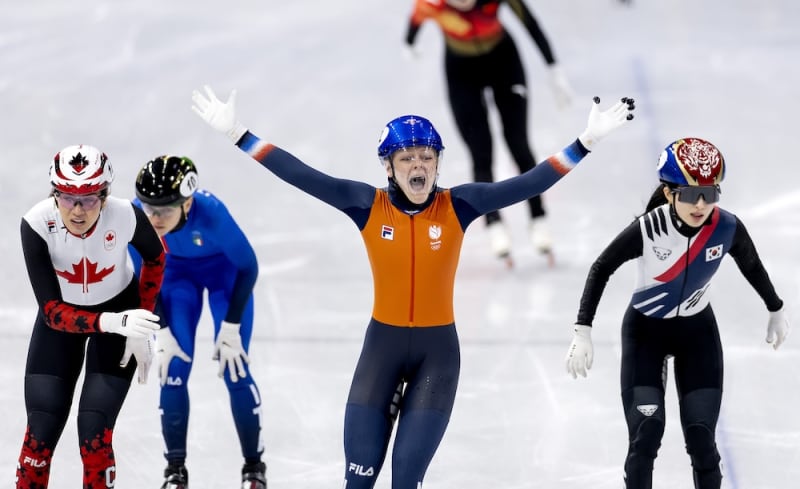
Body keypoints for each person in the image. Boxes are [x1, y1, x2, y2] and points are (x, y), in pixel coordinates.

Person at [191, 85, 633, 489]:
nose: (419, 165)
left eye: (427, 156)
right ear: (388, 166)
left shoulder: (459, 205)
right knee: (358, 479)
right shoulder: (366, 205)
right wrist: (237, 134)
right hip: (381, 349)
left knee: (405, 482)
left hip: (436, 356)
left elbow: (527, 184)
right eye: (407, 158)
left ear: (438, 162)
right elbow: (301, 174)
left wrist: (586, 142)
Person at [564, 137, 790, 488]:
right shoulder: (649, 229)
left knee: (702, 439)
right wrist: (582, 330)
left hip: (697, 336)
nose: (700, 204)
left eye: (709, 193)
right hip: (645, 336)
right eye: (688, 194)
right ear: (669, 193)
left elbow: (751, 264)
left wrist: (775, 308)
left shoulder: (726, 227)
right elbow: (601, 267)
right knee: (645, 436)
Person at [17, 145, 165, 488]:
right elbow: (52, 313)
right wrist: (112, 322)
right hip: (71, 326)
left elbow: (156, 260)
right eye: (68, 198)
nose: (79, 210)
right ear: (54, 195)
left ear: (105, 194)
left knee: (94, 436)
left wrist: (139, 323)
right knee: (39, 436)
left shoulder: (126, 215)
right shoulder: (36, 223)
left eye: (90, 199)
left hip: (120, 317)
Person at [128, 155, 265, 489]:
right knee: (172, 370)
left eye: (163, 209)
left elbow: (248, 267)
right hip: (174, 276)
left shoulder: (212, 213)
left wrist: (231, 326)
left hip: (224, 275)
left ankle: (254, 468)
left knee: (236, 368)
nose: (153, 218)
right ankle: (174, 470)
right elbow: (143, 277)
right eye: (148, 208)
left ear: (187, 203)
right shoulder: (137, 216)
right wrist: (160, 329)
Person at [404, 0, 575, 265]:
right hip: (461, 73)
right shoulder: (429, 4)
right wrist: (410, 42)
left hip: (504, 63)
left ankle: (538, 216)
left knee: (518, 144)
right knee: (480, 152)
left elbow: (530, 23)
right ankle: (494, 221)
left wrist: (554, 68)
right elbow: (414, 23)